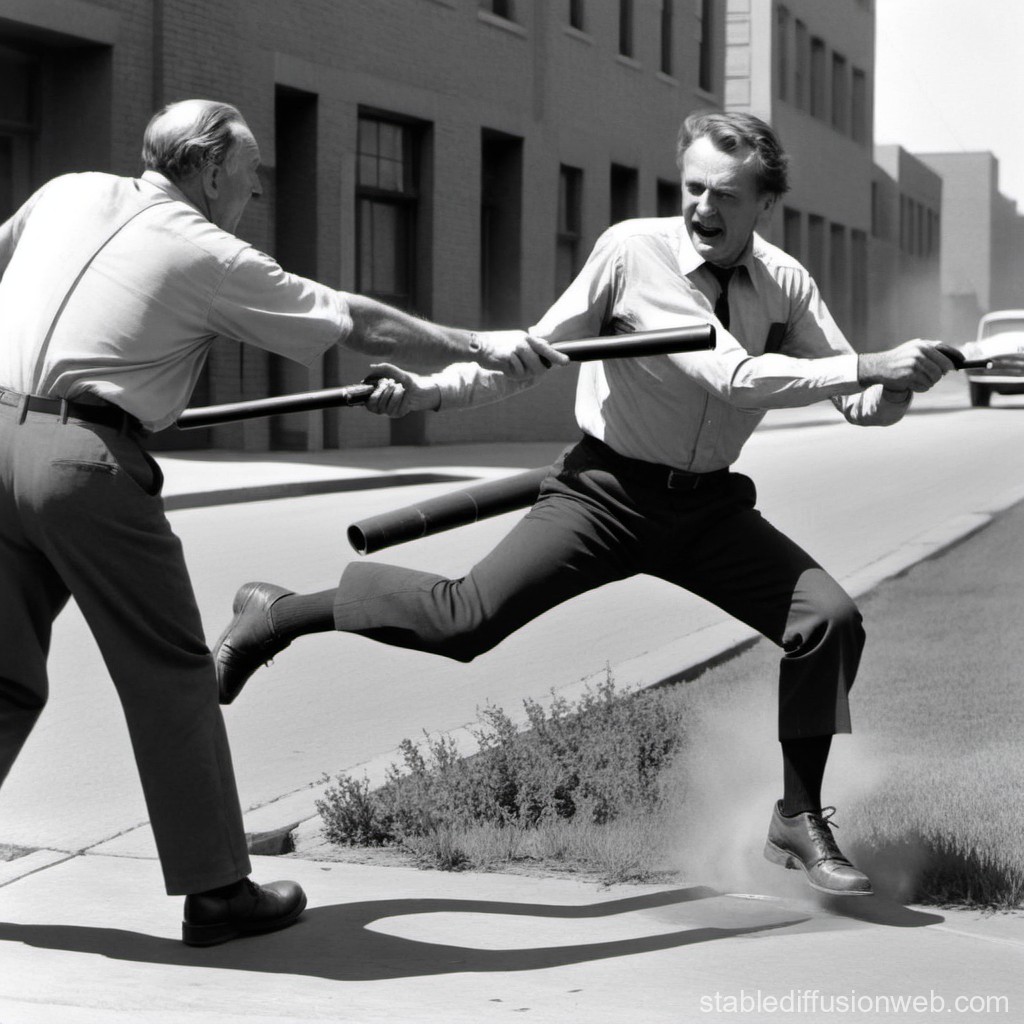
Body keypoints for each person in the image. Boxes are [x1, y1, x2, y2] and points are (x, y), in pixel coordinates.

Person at [214, 111, 954, 897]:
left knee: (829, 622)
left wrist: (895, 385)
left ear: (765, 204)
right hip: (604, 495)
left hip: (709, 513)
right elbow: (537, 359)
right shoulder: (633, 254)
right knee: (464, 622)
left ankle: (796, 816)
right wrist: (427, 391)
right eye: (694, 188)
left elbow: (857, 402)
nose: (703, 209)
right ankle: (277, 615)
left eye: (726, 197)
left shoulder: (787, 284)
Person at [0, 98, 565, 946]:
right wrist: (477, 345)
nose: (256, 192)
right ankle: (219, 891)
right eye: (252, 173)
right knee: (174, 677)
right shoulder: (208, 251)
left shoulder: (66, 191)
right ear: (211, 167)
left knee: (1, 676)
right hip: (84, 468)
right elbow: (352, 319)